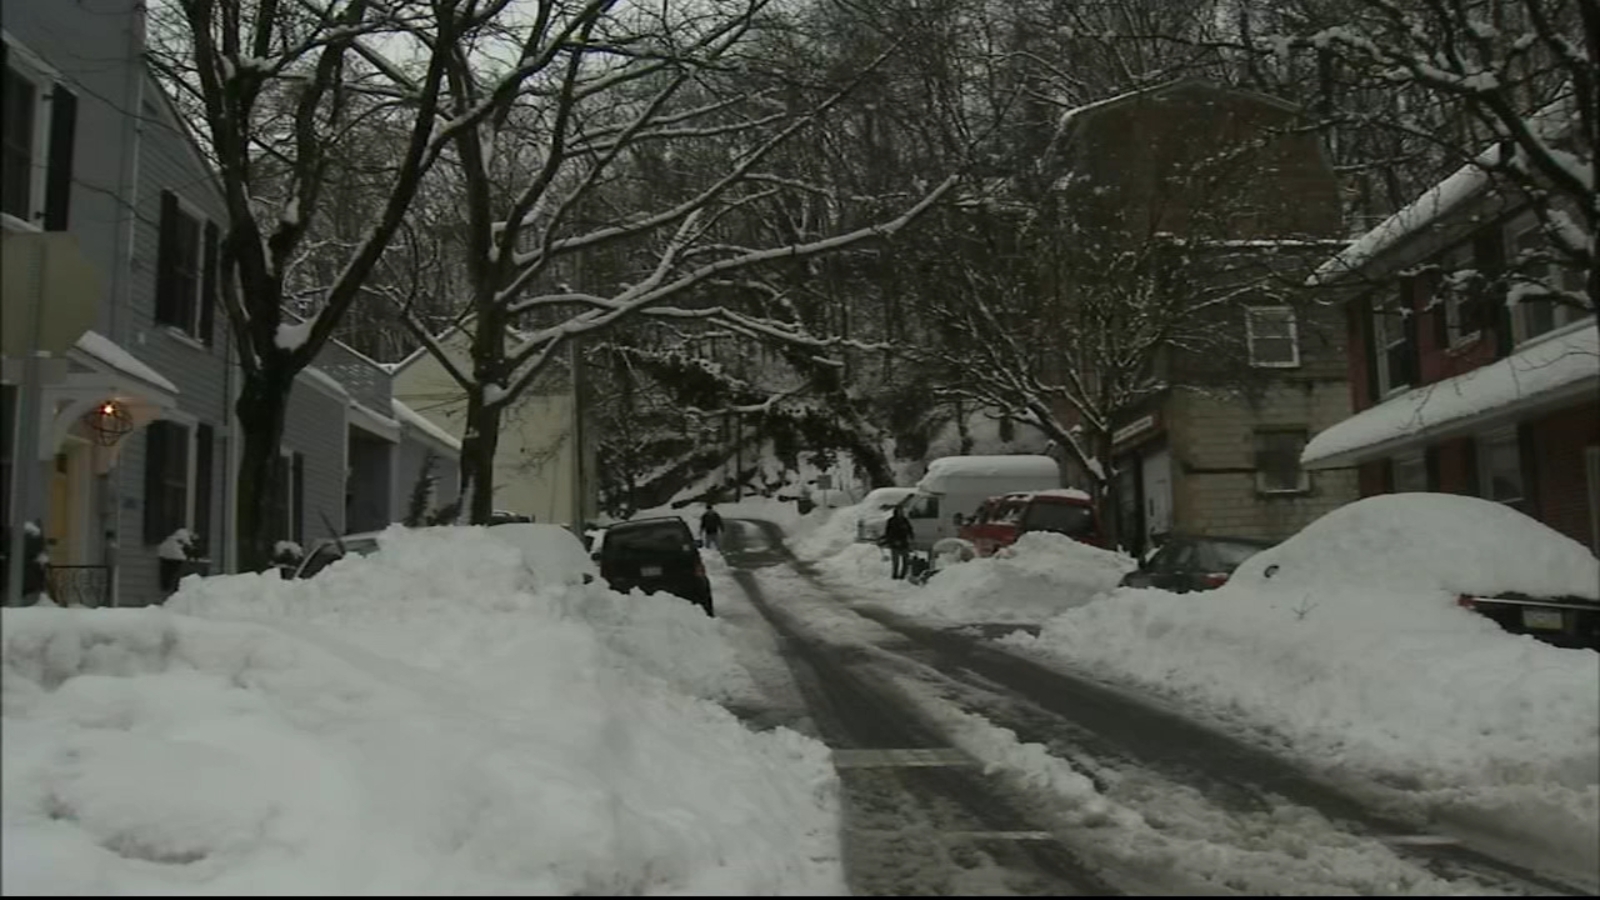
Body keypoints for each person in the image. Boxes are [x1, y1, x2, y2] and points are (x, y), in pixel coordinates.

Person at [882, 506, 914, 580]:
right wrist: (892, 541)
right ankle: (895, 575)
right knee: (896, 562)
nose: (900, 513)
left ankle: (903, 575)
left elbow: (910, 529)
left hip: (904, 543)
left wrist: (911, 536)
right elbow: (888, 533)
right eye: (899, 511)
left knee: (906, 560)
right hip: (894, 544)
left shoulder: (905, 520)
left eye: (901, 512)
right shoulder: (891, 521)